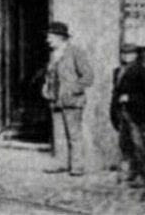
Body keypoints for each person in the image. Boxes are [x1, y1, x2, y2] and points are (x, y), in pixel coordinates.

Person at [42, 21, 94, 177]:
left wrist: (72, 90)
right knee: (59, 135)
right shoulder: (53, 55)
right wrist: (46, 86)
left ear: (60, 37)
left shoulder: (75, 52)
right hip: (56, 100)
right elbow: (52, 75)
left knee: (74, 135)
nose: (47, 40)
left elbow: (88, 77)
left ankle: (77, 167)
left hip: (71, 101)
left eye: (50, 37)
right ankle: (61, 164)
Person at [110, 43, 145, 187]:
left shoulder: (144, 71)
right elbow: (115, 93)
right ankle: (130, 173)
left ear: (136, 55)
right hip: (122, 114)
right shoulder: (117, 71)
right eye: (123, 53)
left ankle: (144, 177)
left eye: (129, 53)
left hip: (137, 114)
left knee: (140, 146)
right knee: (125, 146)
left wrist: (130, 98)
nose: (125, 56)